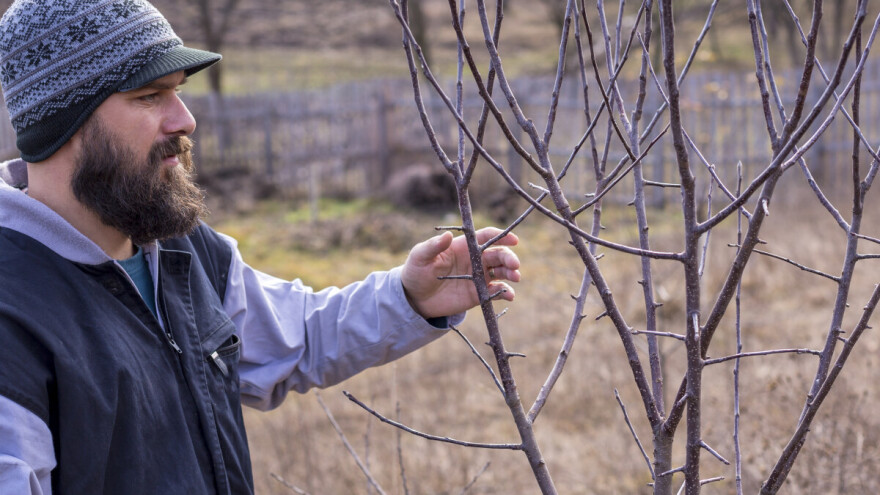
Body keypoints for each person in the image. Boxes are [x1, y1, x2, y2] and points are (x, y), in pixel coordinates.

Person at [0, 1, 521, 493]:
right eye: (149, 96)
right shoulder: (13, 316)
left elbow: (299, 334)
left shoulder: (185, 253)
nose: (185, 120)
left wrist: (411, 297)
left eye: (178, 91)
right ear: (63, 123)